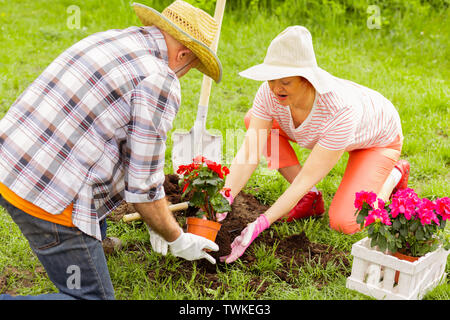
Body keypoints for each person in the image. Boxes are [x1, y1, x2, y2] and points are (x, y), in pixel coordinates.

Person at [0, 0, 222, 299]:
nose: (186, 72)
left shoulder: (111, 39)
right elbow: (143, 187)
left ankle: (96, 242)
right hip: (47, 198)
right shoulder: (160, 80)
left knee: (98, 147)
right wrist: (175, 236)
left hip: (11, 162)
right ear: (183, 53)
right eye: (192, 65)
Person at [220, 26, 410, 263]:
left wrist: (260, 224)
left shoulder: (339, 110)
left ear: (307, 79)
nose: (275, 88)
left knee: (346, 222)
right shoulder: (270, 93)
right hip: (336, 134)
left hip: (377, 140)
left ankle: (394, 172)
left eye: (285, 82)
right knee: (254, 121)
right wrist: (224, 198)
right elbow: (250, 151)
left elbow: (306, 176)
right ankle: (310, 199)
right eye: (271, 79)